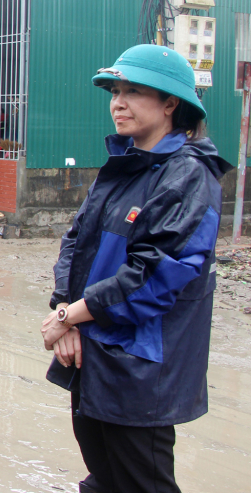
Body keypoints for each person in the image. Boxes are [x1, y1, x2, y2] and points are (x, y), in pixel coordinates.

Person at [41, 44, 230, 493]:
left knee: (142, 483)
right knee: (103, 479)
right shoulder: (123, 165)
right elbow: (75, 242)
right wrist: (65, 308)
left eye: (134, 92)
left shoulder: (188, 175)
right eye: (115, 91)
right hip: (92, 355)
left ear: (170, 104)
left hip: (139, 371)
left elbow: (157, 275)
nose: (118, 103)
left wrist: (72, 315)